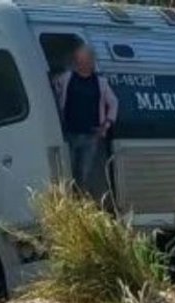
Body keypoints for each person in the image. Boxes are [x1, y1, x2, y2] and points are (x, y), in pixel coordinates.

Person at [53, 45, 119, 202]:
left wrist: (106, 124)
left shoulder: (100, 83)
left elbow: (114, 102)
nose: (81, 63)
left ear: (91, 61)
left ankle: (80, 203)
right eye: (79, 60)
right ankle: (69, 203)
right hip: (70, 133)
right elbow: (55, 88)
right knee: (68, 171)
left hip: (91, 135)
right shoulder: (67, 78)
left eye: (85, 60)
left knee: (84, 173)